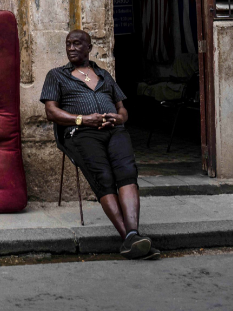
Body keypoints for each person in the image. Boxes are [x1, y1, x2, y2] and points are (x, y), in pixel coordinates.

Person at [40, 30, 159, 260]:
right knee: (103, 176)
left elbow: (122, 108)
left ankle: (132, 235)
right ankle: (130, 238)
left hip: (114, 131)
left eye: (77, 44)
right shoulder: (57, 75)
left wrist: (120, 118)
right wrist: (83, 119)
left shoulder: (104, 75)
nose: (72, 48)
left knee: (126, 172)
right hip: (81, 133)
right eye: (68, 44)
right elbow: (51, 111)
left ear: (89, 48)